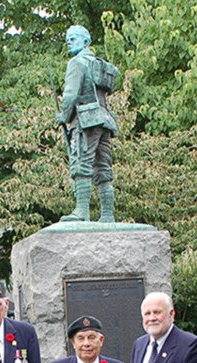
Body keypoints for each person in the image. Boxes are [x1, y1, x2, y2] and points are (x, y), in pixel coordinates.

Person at [55, 24, 119, 223]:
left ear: (86, 41)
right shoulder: (98, 64)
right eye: (68, 39)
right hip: (105, 120)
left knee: (81, 165)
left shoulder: (77, 63)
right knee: (103, 168)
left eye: (73, 38)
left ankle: (82, 212)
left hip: (85, 121)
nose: (69, 41)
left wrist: (63, 117)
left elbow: (70, 95)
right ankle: (107, 215)